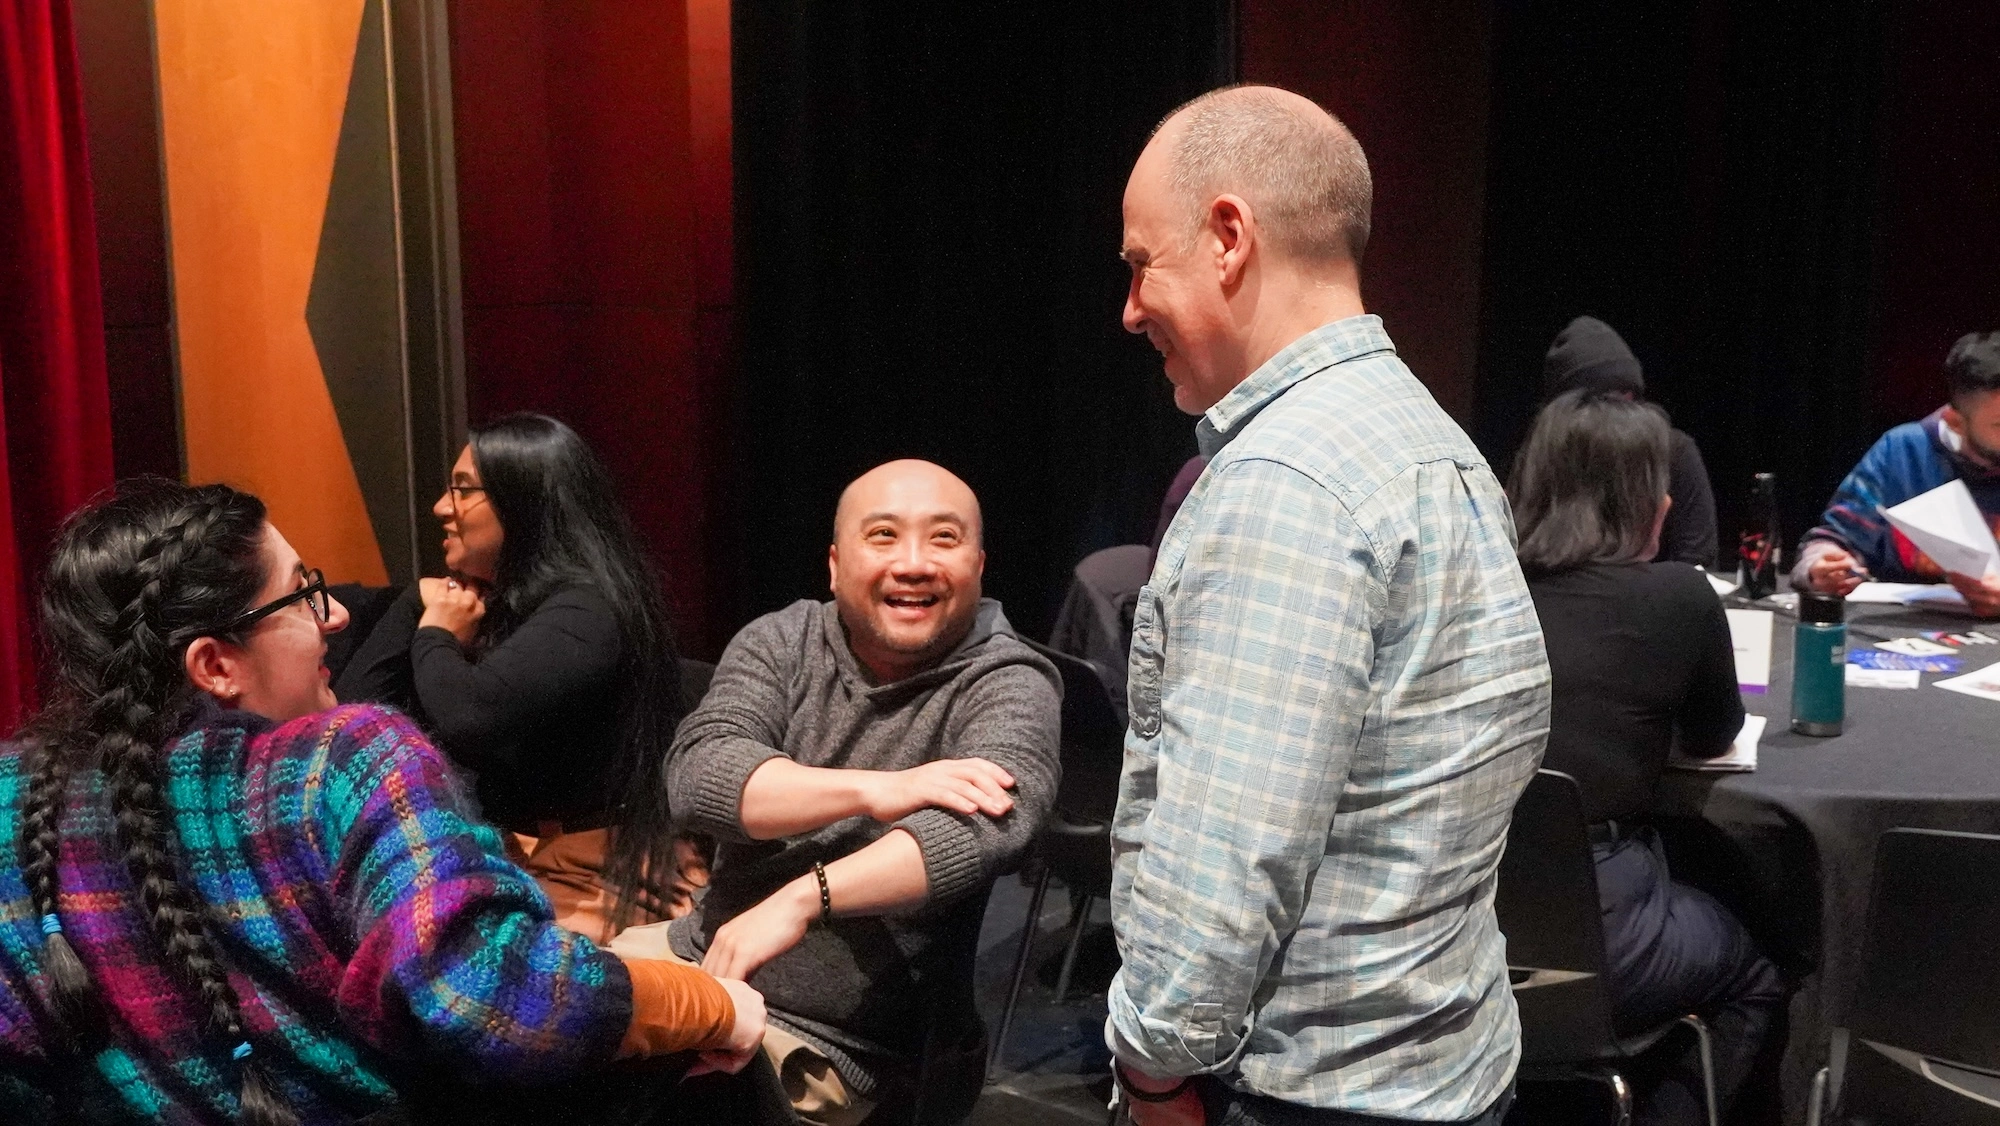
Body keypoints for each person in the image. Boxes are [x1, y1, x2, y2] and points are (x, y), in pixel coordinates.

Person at [0, 479, 764, 1125]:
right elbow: (498, 998)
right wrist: (711, 1005)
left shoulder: (11, 803)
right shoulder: (344, 764)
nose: (334, 613)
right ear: (215, 664)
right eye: (302, 594)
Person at [1106, 85, 1549, 1125]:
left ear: (1226, 237)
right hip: (1442, 1069)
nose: (1127, 308)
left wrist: (1150, 1067)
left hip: (1301, 1094)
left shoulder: (1285, 484)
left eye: (1137, 265)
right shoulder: (1429, 440)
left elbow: (1224, 854)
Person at [640, 459, 1061, 1125]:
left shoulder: (1009, 682)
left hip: (848, 1047)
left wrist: (803, 900)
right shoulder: (784, 640)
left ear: (979, 565)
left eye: (943, 539)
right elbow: (700, 775)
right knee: (526, 1025)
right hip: (704, 959)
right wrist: (878, 791)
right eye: (885, 535)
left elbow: (980, 830)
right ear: (836, 565)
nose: (914, 563)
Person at [1511, 390, 1786, 1126]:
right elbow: (1711, 735)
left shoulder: (1485, 587)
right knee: (1760, 966)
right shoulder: (1678, 597)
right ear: (1642, 499)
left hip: (1448, 921)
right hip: (1602, 931)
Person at [337, 413, 704, 941]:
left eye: (463, 491)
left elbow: (473, 716)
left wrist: (436, 633)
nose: (442, 508)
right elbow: (356, 722)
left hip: (599, 872)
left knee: (474, 973)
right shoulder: (491, 606)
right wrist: (418, 603)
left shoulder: (588, 608)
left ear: (522, 502)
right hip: (511, 858)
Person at [1795, 330, 2000, 615]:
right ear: (1955, 422)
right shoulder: (1904, 452)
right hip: (1915, 634)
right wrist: (1822, 567)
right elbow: (1833, 541)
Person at [1542, 315, 1719, 567]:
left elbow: (1696, 559)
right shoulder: (1544, 458)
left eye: (1627, 396)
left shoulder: (1674, 451)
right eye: (1605, 400)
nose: (1620, 414)